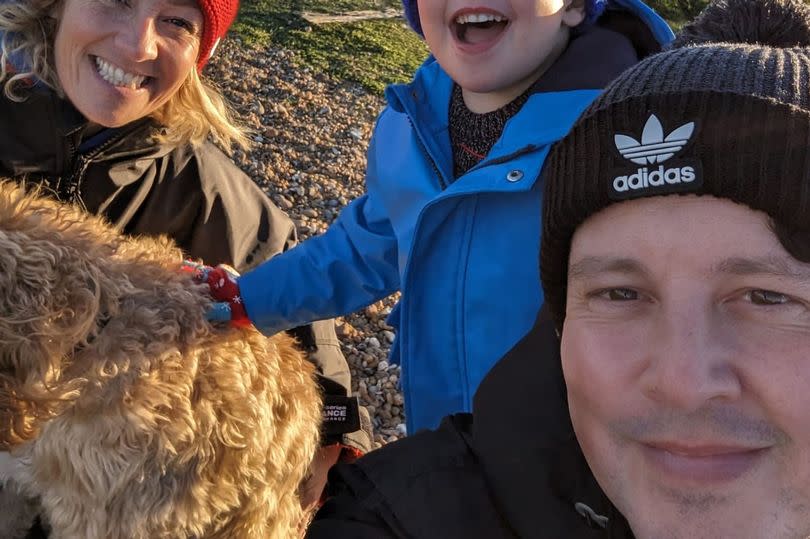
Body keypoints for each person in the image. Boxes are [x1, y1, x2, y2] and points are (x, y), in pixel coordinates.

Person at [303, 0, 810, 536]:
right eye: (620, 293)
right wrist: (241, 302)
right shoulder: (402, 508)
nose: (681, 381)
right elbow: (360, 245)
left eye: (767, 297)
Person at [193, 0, 675, 434]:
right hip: (441, 429)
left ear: (573, 6)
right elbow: (368, 246)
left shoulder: (631, 138)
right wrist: (249, 298)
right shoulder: (410, 121)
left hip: (574, 459)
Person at [0, 0, 371, 522]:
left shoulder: (204, 189)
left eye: (176, 21)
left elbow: (297, 293)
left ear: (202, 52)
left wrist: (336, 433)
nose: (139, 46)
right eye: (116, 1)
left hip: (91, 466)